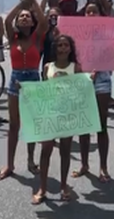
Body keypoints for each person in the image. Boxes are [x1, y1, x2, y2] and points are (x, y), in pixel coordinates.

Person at [0, 0, 48, 181]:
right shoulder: (13, 37)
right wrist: (21, 4)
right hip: (15, 83)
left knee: (32, 125)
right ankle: (9, 164)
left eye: (27, 16)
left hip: (34, 82)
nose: (24, 18)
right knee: (14, 125)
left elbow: (43, 21)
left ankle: (31, 160)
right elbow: (7, 20)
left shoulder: (37, 37)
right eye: (22, 17)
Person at [31, 34, 80, 205]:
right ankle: (42, 188)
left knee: (65, 151)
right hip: (50, 115)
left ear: (70, 48)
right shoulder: (47, 67)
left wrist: (90, 81)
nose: (63, 48)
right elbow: (43, 90)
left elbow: (81, 90)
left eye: (66, 45)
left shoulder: (76, 68)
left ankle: (64, 186)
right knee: (46, 151)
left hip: (67, 116)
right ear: (55, 48)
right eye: (60, 45)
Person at [71, 1, 113, 183]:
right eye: (87, 12)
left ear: (100, 14)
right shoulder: (77, 36)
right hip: (82, 81)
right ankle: (84, 164)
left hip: (102, 81)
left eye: (94, 11)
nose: (90, 15)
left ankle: (103, 167)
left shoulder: (108, 35)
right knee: (84, 126)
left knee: (101, 125)